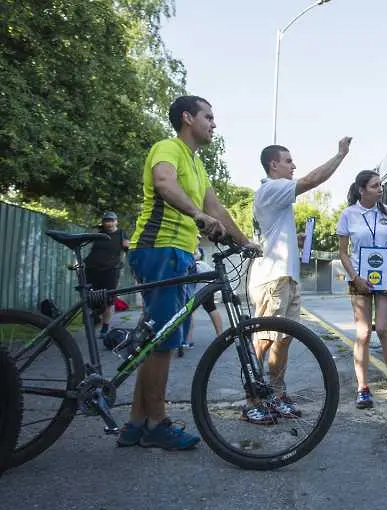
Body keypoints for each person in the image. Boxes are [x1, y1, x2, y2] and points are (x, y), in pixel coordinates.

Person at [119, 95, 259, 450]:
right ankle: (156, 423)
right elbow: (165, 184)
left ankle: (136, 422)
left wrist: (244, 242)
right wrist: (198, 216)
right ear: (187, 118)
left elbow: (217, 209)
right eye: (208, 117)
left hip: (178, 253)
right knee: (162, 341)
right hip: (158, 248)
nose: (214, 123)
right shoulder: (167, 148)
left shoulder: (197, 166)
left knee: (158, 341)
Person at [244, 137, 352, 424]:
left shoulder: (277, 196)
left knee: (283, 340)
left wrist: (296, 238)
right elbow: (312, 180)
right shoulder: (272, 188)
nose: (293, 166)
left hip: (286, 278)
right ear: (273, 165)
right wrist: (339, 155)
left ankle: (276, 396)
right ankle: (251, 401)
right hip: (272, 279)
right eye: (288, 160)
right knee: (264, 340)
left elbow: (274, 232)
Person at [336, 170, 387, 408]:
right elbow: (343, 252)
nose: (380, 189)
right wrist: (355, 277)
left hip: (385, 279)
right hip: (358, 280)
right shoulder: (348, 214)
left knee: (384, 329)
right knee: (363, 333)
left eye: (381, 186)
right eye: (375, 186)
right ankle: (362, 388)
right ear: (362, 189)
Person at [84, 211, 129, 339]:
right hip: (91, 269)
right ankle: (96, 316)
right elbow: (85, 242)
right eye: (106, 221)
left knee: (109, 300)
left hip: (111, 270)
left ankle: (105, 328)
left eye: (111, 221)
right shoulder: (98, 233)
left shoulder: (121, 234)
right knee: (91, 298)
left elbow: (128, 249)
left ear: (116, 222)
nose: (109, 223)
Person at [178, 248, 224, 356]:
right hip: (205, 289)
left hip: (196, 290)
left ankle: (187, 340)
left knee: (190, 313)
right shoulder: (202, 264)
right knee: (210, 310)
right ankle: (220, 335)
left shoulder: (195, 264)